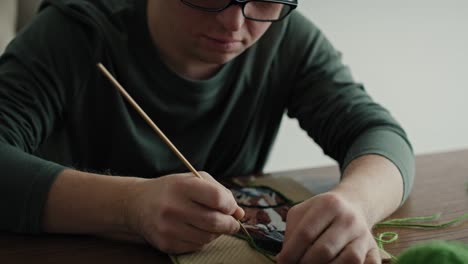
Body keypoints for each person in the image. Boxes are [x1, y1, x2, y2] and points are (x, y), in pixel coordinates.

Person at [0, 0, 415, 263]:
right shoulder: (76, 29)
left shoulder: (286, 37)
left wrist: (357, 203)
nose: (234, 23)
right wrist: (129, 207)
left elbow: (378, 133)